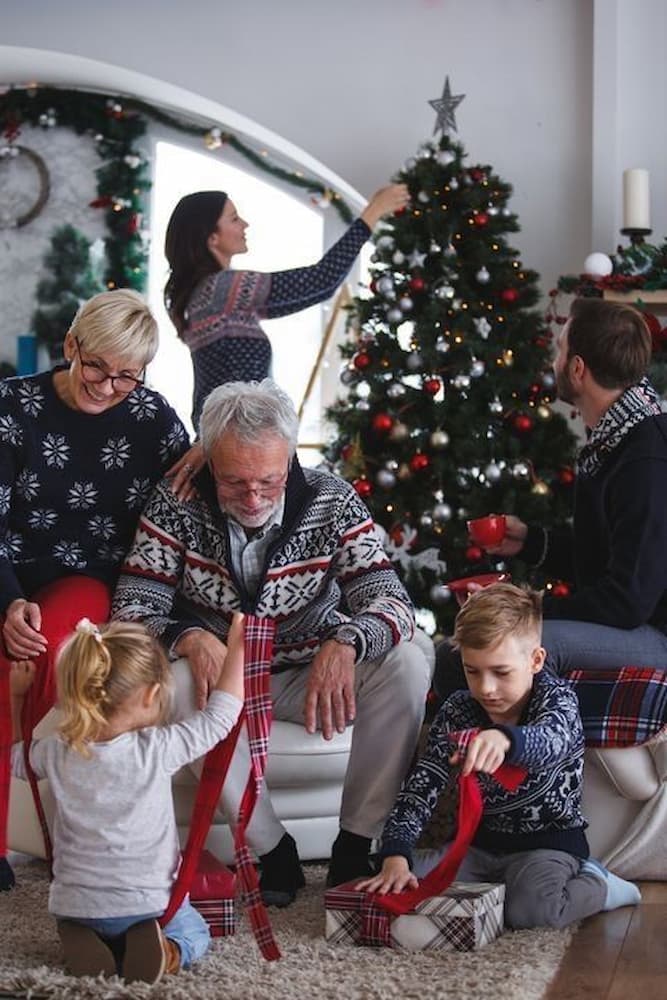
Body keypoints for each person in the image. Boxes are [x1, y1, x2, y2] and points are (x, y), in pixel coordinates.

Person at [112, 377, 433, 904]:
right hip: (224, 681)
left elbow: (391, 602)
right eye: (236, 483)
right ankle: (271, 850)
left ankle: (355, 845)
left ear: (290, 460)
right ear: (209, 461)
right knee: (175, 680)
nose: (255, 497)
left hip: (309, 671)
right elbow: (131, 607)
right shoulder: (174, 503)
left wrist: (347, 640)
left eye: (270, 480)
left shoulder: (331, 500)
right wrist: (188, 636)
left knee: (408, 662)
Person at [0, 289, 191, 891]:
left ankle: (57, 838)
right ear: (71, 347)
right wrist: (6, 599)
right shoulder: (12, 408)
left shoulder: (153, 418)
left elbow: (194, 491)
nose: (107, 386)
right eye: (96, 367)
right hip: (7, 572)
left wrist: (210, 443)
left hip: (88, 578)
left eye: (126, 376)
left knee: (43, 650)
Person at [358, 583, 641, 930]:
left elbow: (552, 740)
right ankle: (479, 884)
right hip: (478, 846)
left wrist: (505, 740)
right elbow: (421, 786)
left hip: (546, 846)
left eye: (501, 672)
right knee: (396, 880)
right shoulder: (459, 710)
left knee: (532, 911)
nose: (486, 688)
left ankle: (600, 883)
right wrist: (396, 854)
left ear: (535, 660)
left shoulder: (556, 700)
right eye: (472, 671)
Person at [434, 297, 667, 700]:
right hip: (636, 622)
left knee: (485, 653)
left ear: (578, 369)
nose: (554, 362)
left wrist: (527, 608)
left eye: (560, 350)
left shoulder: (644, 455)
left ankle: (503, 757)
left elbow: (628, 600)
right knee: (459, 654)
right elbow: (607, 560)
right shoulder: (616, 437)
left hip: (655, 634)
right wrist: (529, 542)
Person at [9, 613, 244, 984]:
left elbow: (15, 758)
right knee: (195, 930)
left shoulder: (56, 751)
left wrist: (17, 698)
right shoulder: (157, 748)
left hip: (76, 902)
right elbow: (221, 717)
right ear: (151, 694)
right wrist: (239, 650)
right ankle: (169, 951)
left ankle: (83, 934)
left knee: (82, 913)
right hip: (147, 902)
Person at [162, 183, 410, 488]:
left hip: (231, 443)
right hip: (239, 448)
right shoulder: (223, 289)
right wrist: (373, 211)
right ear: (212, 237)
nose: (245, 225)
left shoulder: (207, 296)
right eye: (235, 218)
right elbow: (322, 281)